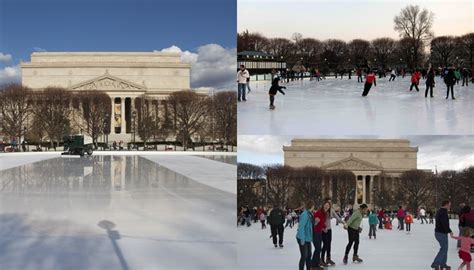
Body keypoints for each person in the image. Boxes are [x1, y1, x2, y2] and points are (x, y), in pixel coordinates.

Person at [321, 198, 346, 267]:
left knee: (329, 244)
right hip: (323, 230)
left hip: (329, 230)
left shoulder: (331, 210)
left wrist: (344, 222)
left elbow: (337, 218)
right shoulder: (322, 211)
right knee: (325, 244)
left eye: (329, 203)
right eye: (327, 203)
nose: (328, 204)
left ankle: (328, 258)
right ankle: (321, 259)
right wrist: (323, 228)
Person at [431, 200, 453, 270]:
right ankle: (436, 263)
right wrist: (449, 231)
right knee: (443, 249)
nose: (450, 206)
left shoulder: (441, 211)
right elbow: (444, 223)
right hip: (441, 233)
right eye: (449, 205)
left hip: (440, 232)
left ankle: (443, 264)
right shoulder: (442, 212)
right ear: (446, 204)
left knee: (445, 249)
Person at [296, 200, 315, 270]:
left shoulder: (310, 213)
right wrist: (302, 239)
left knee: (309, 255)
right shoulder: (305, 214)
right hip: (302, 237)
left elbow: (310, 225)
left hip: (307, 238)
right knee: (304, 256)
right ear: (312, 206)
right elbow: (301, 227)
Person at [311, 202, 329, 269]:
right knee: (318, 248)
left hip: (319, 232)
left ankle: (316, 265)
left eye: (328, 206)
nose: (326, 206)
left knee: (319, 249)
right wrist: (315, 222)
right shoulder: (319, 212)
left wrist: (324, 227)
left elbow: (322, 222)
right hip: (315, 232)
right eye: (325, 205)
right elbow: (313, 223)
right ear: (323, 205)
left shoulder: (324, 213)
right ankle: (313, 265)